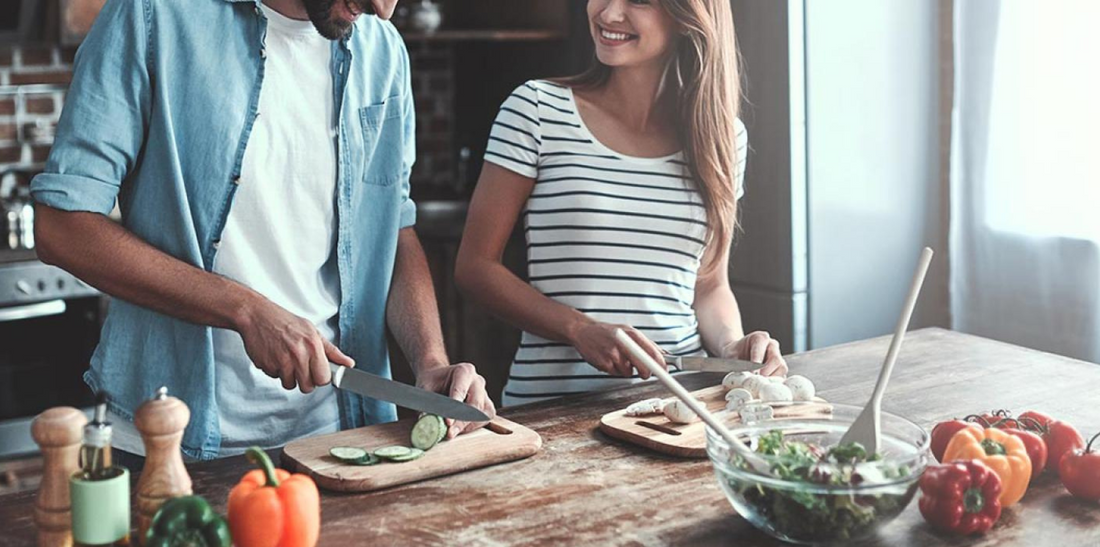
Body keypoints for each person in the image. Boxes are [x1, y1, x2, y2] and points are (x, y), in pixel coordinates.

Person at [31, 0, 495, 461]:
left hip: (335, 440)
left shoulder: (383, 51)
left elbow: (393, 228)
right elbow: (62, 227)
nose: (383, 10)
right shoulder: (154, 16)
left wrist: (430, 360)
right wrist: (246, 311)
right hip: (167, 439)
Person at [455, 0, 787, 406]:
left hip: (678, 409)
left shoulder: (723, 136)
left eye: (639, 1)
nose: (609, 14)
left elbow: (707, 285)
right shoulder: (537, 110)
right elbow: (475, 267)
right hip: (552, 409)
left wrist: (732, 346)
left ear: (687, 19)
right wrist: (579, 329)